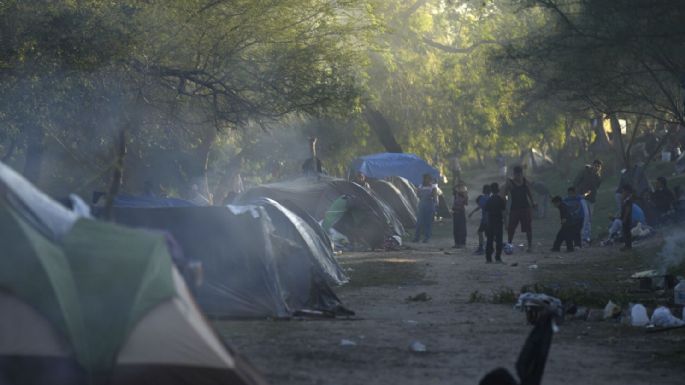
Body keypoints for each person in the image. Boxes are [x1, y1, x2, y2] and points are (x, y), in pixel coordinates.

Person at [503, 165, 537, 252]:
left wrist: (533, 202)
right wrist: (505, 205)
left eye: (519, 174)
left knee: (528, 228)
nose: (518, 176)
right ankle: (509, 244)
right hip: (514, 209)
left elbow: (530, 193)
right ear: (514, 174)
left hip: (525, 208)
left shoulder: (525, 181)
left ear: (521, 174)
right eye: (516, 174)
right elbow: (505, 194)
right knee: (511, 228)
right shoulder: (510, 182)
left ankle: (529, 246)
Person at [573, 159, 602, 243]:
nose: (596, 167)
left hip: (592, 199)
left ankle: (587, 237)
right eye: (595, 165)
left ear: (600, 168)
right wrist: (576, 192)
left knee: (589, 218)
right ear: (593, 165)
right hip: (582, 197)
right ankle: (582, 237)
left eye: (598, 166)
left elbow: (596, 188)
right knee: (585, 215)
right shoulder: (585, 171)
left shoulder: (598, 177)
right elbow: (576, 181)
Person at [484, 182, 506, 263]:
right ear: (498, 190)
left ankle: (488, 258)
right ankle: (498, 257)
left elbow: (486, 213)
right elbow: (503, 213)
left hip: (490, 222)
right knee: (499, 241)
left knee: (489, 240)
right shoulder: (500, 199)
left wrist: (486, 223)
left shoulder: (489, 200)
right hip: (498, 222)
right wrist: (506, 224)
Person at [413, 173, 438, 243]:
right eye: (425, 178)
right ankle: (416, 237)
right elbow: (418, 195)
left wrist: (435, 206)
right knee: (419, 222)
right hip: (422, 205)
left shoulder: (433, 187)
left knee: (428, 222)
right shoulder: (420, 186)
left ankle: (426, 237)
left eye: (427, 179)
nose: (426, 180)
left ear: (430, 179)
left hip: (429, 205)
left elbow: (435, 198)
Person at [469, 184, 491, 254]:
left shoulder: (483, 198)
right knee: (488, 234)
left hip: (485, 220)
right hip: (491, 219)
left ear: (483, 191)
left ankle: (481, 247)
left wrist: (472, 212)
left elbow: (479, 207)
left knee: (480, 232)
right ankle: (490, 247)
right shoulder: (491, 198)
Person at [452, 182, 468, 248]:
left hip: (460, 212)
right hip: (456, 212)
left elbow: (466, 203)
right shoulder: (456, 194)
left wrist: (464, 194)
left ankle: (462, 243)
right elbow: (453, 189)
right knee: (456, 228)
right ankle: (457, 243)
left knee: (461, 228)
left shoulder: (464, 195)